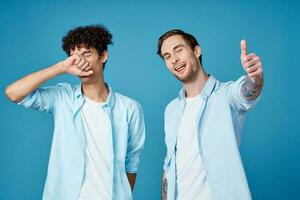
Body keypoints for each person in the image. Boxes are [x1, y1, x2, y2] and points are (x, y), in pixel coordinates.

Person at [5, 25, 145, 200]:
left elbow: (131, 162)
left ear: (103, 56)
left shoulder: (129, 108)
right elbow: (13, 93)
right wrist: (60, 68)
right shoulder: (63, 98)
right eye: (73, 56)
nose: (79, 61)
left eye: (86, 54)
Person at [157, 29, 263, 200]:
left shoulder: (226, 95)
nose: (174, 59)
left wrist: (255, 80)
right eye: (167, 56)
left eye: (179, 50)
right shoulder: (171, 110)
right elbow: (169, 165)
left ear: (196, 51)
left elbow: (245, 93)